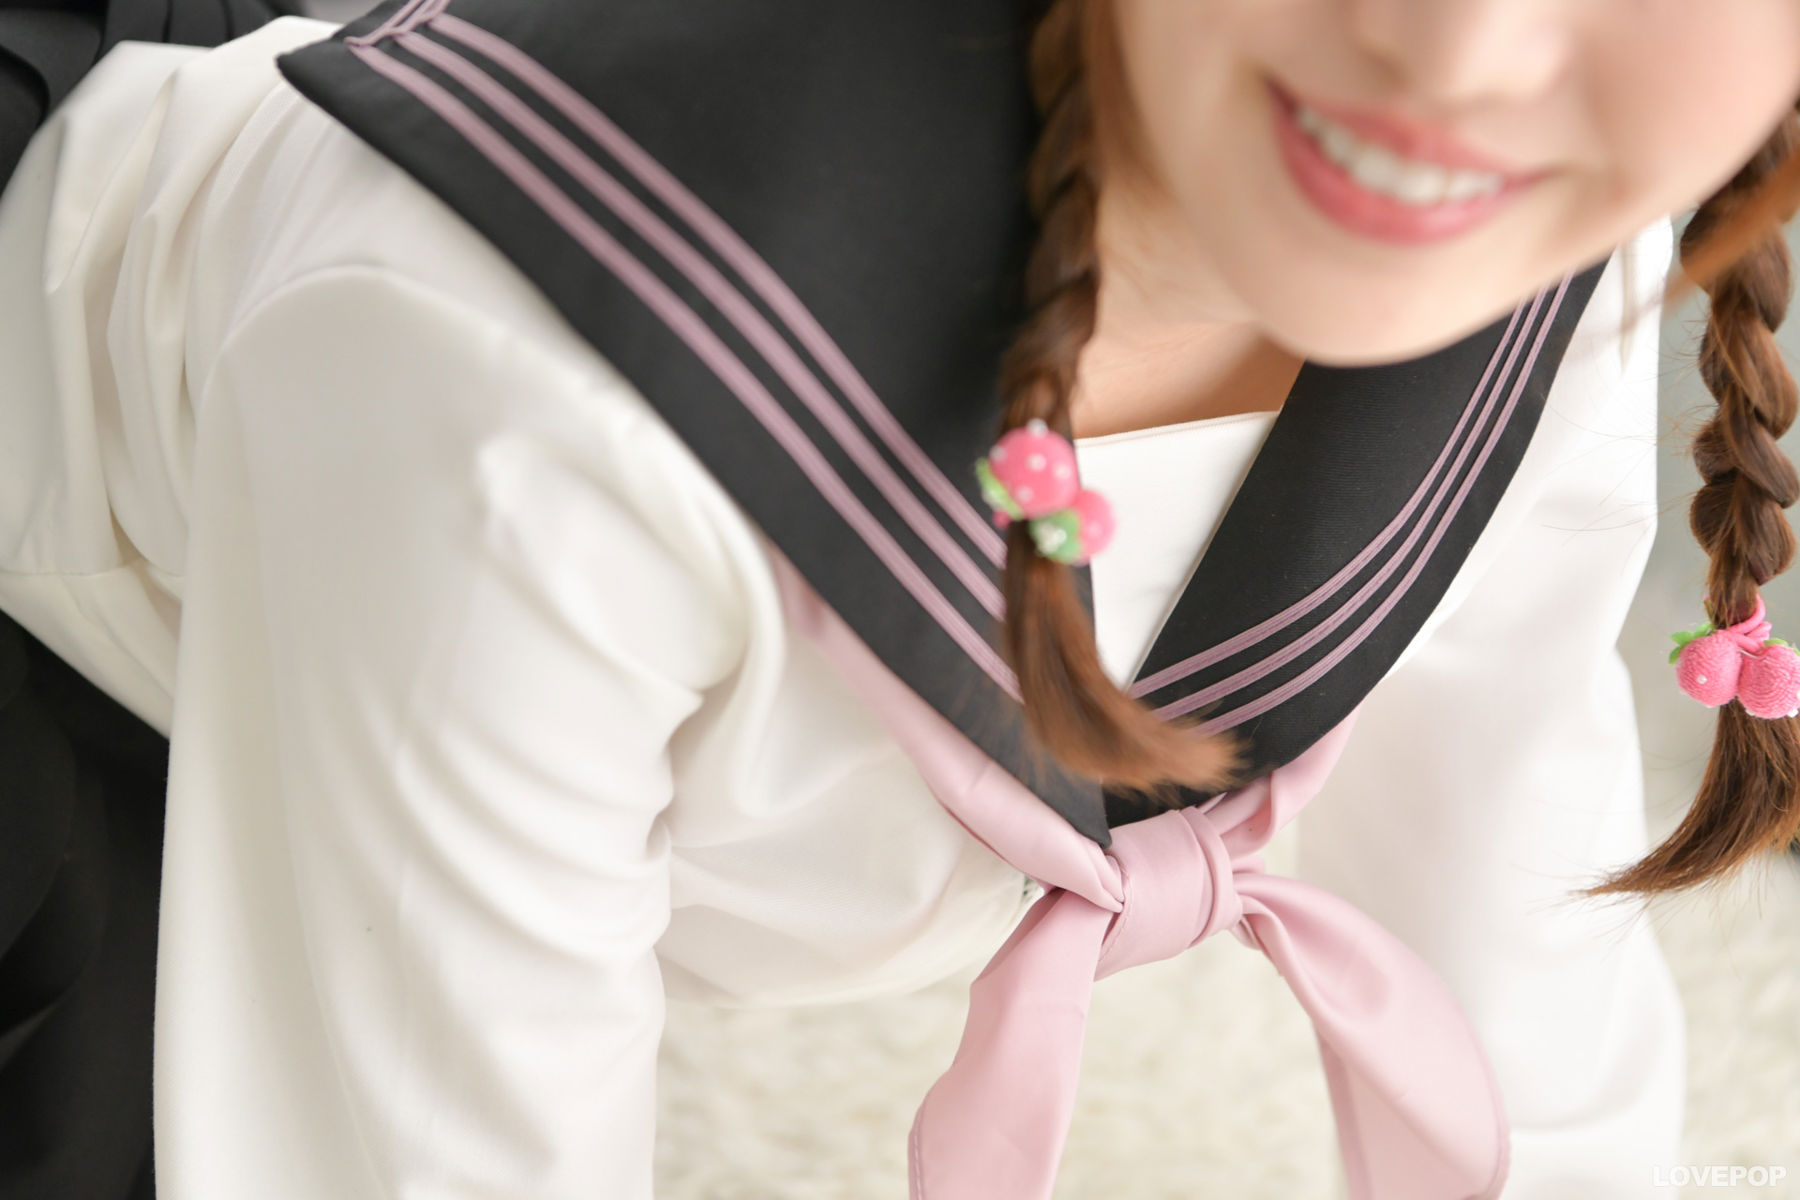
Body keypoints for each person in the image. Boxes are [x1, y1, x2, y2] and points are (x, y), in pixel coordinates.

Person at [3, 0, 1798, 1196]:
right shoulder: (506, 384)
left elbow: (1531, 993)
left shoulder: (1510, 230)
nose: (1464, 57)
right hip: (96, 604)